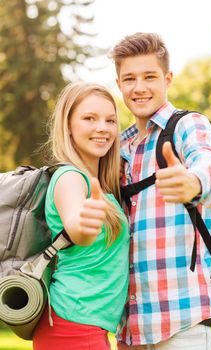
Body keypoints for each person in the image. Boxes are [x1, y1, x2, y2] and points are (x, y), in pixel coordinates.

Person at [109, 33, 211, 350]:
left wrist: (194, 182)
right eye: (129, 78)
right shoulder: (119, 148)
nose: (139, 87)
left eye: (149, 76)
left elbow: (210, 163)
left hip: (182, 323)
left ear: (168, 78)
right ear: (119, 84)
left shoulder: (188, 125)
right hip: (131, 330)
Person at [32, 81, 130, 350]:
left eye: (110, 120)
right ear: (68, 127)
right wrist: (84, 228)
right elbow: (77, 228)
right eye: (89, 118)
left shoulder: (99, 185)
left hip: (82, 327)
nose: (103, 127)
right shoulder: (70, 178)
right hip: (72, 327)